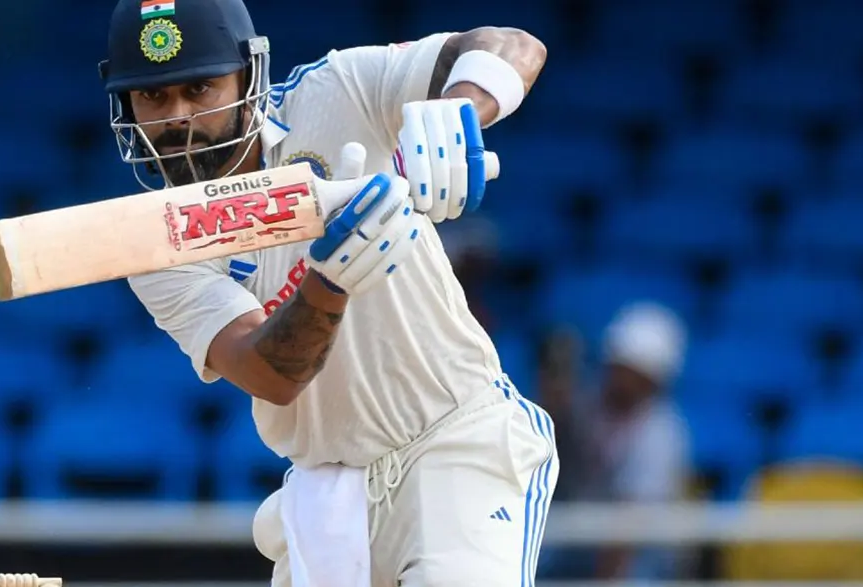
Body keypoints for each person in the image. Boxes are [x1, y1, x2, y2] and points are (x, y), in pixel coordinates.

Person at [96, 0, 557, 584]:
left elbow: (513, 44)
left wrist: (453, 112)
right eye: (154, 97)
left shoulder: (336, 90)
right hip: (327, 494)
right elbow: (270, 375)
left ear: (249, 76)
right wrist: (331, 280)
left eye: (201, 89)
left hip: (456, 442)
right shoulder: (153, 241)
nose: (180, 116)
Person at [589, 302, 693, 582]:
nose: (619, 379)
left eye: (630, 371)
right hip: (585, 540)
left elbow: (630, 526)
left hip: (644, 560)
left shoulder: (662, 433)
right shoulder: (594, 411)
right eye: (617, 367)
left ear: (653, 378)